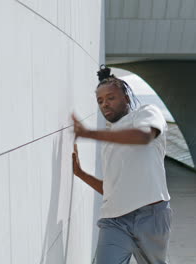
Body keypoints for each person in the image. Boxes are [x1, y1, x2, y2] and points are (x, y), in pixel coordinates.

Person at [71, 65, 173, 264]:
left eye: (111, 98)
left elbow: (144, 137)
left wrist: (89, 133)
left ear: (126, 98)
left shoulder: (147, 113)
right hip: (114, 221)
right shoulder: (111, 139)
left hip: (151, 217)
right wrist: (80, 173)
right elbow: (111, 190)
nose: (105, 104)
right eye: (100, 101)